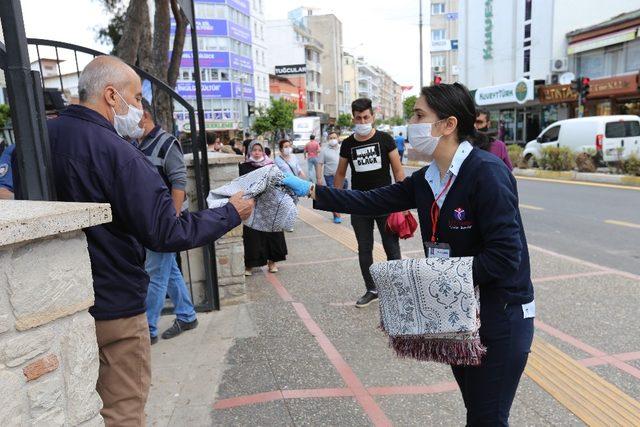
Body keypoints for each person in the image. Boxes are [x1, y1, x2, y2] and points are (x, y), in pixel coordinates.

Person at [282, 82, 534, 426]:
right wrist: (311, 190)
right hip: (459, 316)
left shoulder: (486, 173)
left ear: (448, 125)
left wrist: (425, 280)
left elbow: (506, 259)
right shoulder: (428, 178)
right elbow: (372, 200)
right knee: (479, 413)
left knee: (487, 417)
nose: (411, 122)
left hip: (500, 316)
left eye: (419, 115)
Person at [46, 56, 255, 426]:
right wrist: (230, 213)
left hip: (56, 302)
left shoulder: (42, 139)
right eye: (138, 98)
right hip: (114, 305)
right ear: (111, 95)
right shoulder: (120, 154)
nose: (141, 109)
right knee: (123, 409)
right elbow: (166, 231)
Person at [333, 98, 405, 308]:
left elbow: (398, 170)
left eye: (366, 117)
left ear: (372, 116)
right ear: (353, 118)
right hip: (360, 204)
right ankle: (371, 289)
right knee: (365, 249)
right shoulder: (348, 144)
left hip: (386, 201)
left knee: (392, 247)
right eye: (358, 117)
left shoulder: (385, 139)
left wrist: (402, 200)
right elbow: (340, 173)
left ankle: (398, 289)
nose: (363, 120)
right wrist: (336, 202)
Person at [137, 98, 198, 345]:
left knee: (155, 274)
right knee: (167, 270)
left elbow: (179, 183)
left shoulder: (166, 142)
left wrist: (171, 220)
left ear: (144, 116)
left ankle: (148, 329)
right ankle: (187, 315)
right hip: (149, 220)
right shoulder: (138, 144)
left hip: (163, 222)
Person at [241, 140, 287, 275]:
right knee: (252, 236)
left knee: (271, 235)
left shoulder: (271, 165)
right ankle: (249, 264)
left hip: (269, 205)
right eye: (254, 150)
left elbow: (278, 183)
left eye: (259, 150)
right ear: (250, 151)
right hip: (252, 205)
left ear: (263, 151)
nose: (256, 153)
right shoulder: (244, 166)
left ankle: (272, 262)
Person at [316, 131, 347, 224]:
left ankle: (338, 210)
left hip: (342, 176)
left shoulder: (343, 148)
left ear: (338, 138)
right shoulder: (324, 150)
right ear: (328, 139)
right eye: (331, 138)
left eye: (334, 138)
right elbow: (319, 164)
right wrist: (319, 178)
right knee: (333, 196)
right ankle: (336, 216)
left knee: (343, 195)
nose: (333, 140)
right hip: (330, 176)